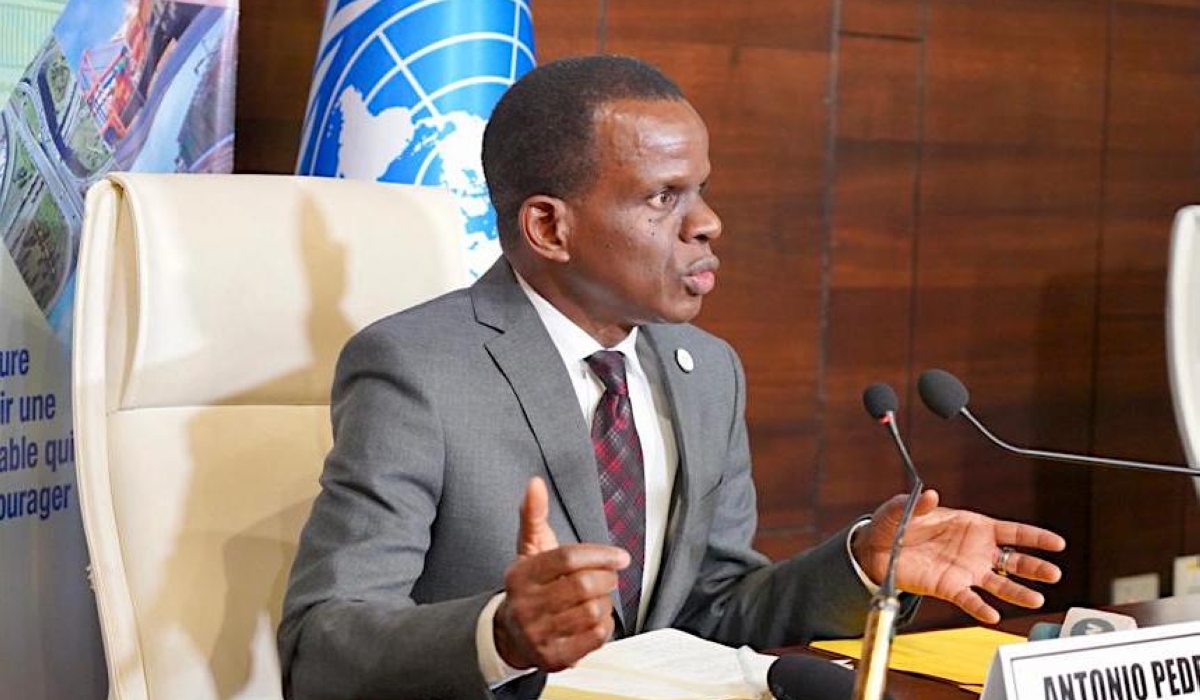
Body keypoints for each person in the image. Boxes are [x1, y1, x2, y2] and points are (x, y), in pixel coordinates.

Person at [277, 55, 1066, 700]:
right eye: (663, 197)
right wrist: (502, 634)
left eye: (702, 188)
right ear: (550, 227)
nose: (707, 223)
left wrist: (864, 562)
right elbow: (322, 644)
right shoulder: (419, 366)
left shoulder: (705, 372)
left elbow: (714, 612)